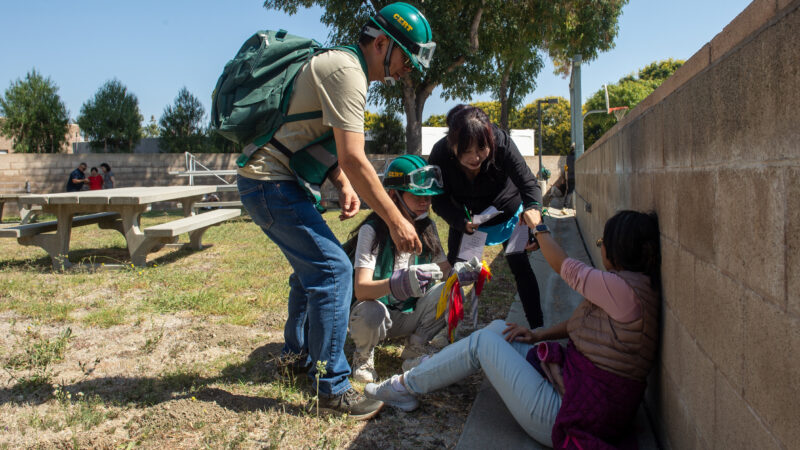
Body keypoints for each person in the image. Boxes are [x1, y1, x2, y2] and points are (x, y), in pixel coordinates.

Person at [236, 2, 437, 420]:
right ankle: (332, 387)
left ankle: (297, 356)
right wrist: (395, 219)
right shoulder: (349, 74)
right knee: (333, 271)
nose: (407, 71)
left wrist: (340, 181)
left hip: (271, 179)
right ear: (382, 43)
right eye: (406, 59)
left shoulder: (342, 65)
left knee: (308, 274)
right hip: (270, 182)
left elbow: (307, 133)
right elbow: (355, 157)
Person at [366, 210, 662, 448]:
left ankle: (404, 386)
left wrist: (540, 226)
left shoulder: (624, 291)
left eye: (602, 243)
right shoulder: (632, 289)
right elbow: (581, 324)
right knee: (498, 329)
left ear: (617, 250)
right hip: (580, 398)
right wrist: (538, 335)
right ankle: (425, 372)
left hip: (566, 415)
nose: (602, 249)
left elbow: (565, 268)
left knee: (483, 343)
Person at [428, 105, 545, 328]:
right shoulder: (440, 155)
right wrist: (460, 222)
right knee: (458, 273)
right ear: (452, 145)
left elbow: (529, 184)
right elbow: (438, 200)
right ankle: (449, 330)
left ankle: (537, 328)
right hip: (467, 222)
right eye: (466, 151)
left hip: (511, 218)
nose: (475, 157)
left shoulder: (502, 143)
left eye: (482, 148)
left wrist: (535, 213)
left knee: (520, 267)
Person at [345, 155, 450, 383]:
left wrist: (461, 273)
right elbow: (361, 290)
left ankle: (416, 346)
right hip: (379, 315)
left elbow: (444, 270)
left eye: (429, 196)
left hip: (410, 312)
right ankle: (363, 355)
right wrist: (397, 283)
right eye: (417, 196)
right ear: (393, 195)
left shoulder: (427, 226)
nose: (426, 202)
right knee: (369, 310)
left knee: (450, 291)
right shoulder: (371, 231)